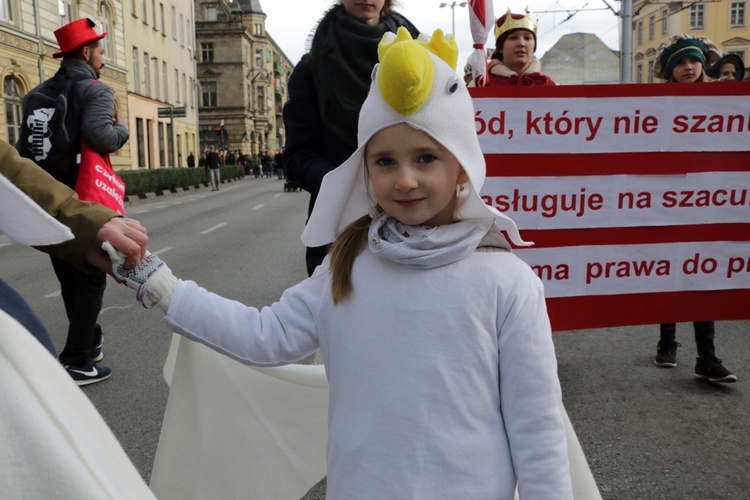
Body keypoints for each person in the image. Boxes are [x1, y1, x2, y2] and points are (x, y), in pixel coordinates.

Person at [108, 28, 572, 498]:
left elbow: (536, 428)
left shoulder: (507, 281)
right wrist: (159, 283)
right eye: (385, 161)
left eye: (426, 157)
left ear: (462, 167)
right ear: (364, 170)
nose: (405, 179)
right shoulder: (345, 266)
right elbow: (265, 336)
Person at [18, 18, 130, 385]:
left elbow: (23, 151)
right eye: (100, 49)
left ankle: (91, 341)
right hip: (82, 199)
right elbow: (102, 136)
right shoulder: (96, 89)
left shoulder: (36, 94)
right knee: (92, 277)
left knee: (70, 274)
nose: (103, 55)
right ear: (86, 52)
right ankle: (78, 360)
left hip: (45, 198)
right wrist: (123, 128)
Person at [283, 0, 419, 276]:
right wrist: (349, 185)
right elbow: (297, 156)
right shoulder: (312, 69)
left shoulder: (421, 57)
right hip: (341, 228)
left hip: (416, 222)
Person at [0, 139, 148, 356]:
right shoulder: (91, 103)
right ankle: (79, 356)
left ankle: (85, 347)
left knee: (69, 282)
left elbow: (12, 156)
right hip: (79, 189)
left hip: (54, 191)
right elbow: (100, 134)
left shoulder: (35, 102)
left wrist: (82, 222)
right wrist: (118, 130)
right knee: (90, 284)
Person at [651, 34, 736, 383]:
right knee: (669, 269)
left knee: (703, 274)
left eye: (694, 61)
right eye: (681, 63)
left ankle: (707, 357)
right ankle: (667, 342)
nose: (689, 67)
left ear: (703, 65)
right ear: (670, 71)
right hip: (667, 197)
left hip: (706, 201)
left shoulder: (722, 103)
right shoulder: (655, 104)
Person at [483, 8, 555, 87]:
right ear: (500, 48)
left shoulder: (549, 86)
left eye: (527, 38)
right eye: (513, 38)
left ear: (534, 47)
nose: (521, 43)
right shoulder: (481, 86)